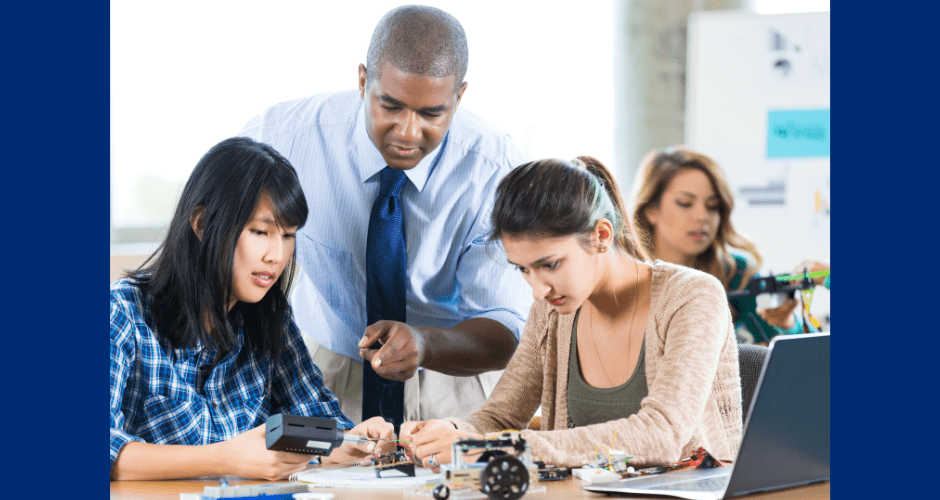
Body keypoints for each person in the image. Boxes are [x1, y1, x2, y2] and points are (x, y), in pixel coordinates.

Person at [238, 5, 531, 428]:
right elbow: (215, 241)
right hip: (324, 366)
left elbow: (509, 326)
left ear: (459, 97)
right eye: (390, 106)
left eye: (432, 113)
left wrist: (425, 344)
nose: (409, 132)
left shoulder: (496, 172)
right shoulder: (281, 137)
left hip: (456, 377)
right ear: (363, 81)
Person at [400, 157, 742, 469]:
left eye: (549, 264)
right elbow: (500, 417)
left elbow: (662, 435)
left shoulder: (693, 296)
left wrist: (502, 448)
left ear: (601, 236)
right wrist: (451, 431)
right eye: (523, 269)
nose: (538, 290)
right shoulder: (551, 312)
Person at [110, 137, 394, 481]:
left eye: (288, 235)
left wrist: (343, 444)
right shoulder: (122, 314)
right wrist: (224, 459)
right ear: (201, 224)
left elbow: (315, 416)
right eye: (260, 232)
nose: (276, 255)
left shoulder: (271, 318)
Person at [630, 146, 818, 344]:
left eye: (713, 206)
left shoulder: (737, 274)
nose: (703, 216)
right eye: (685, 203)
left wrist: (787, 323)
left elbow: (815, 358)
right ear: (651, 209)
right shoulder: (622, 279)